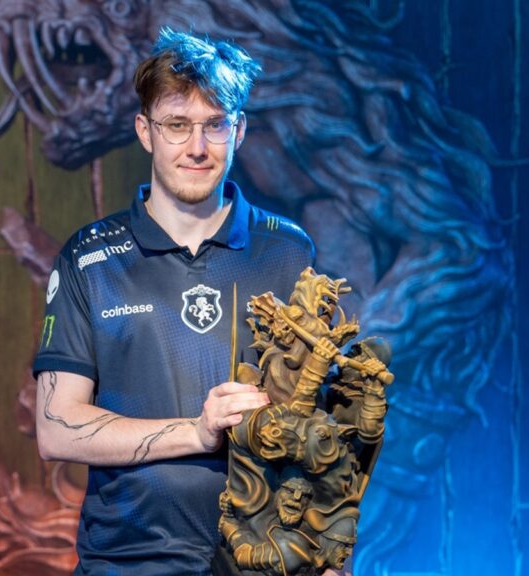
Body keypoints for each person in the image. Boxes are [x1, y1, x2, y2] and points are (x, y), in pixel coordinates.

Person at [33, 28, 316, 575]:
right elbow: (55, 426)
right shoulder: (89, 260)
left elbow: (323, 420)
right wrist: (197, 432)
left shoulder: (288, 251)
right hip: (127, 562)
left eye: (215, 124)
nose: (197, 147)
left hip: (264, 560)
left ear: (239, 130)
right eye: (177, 124)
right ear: (145, 131)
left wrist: (330, 554)